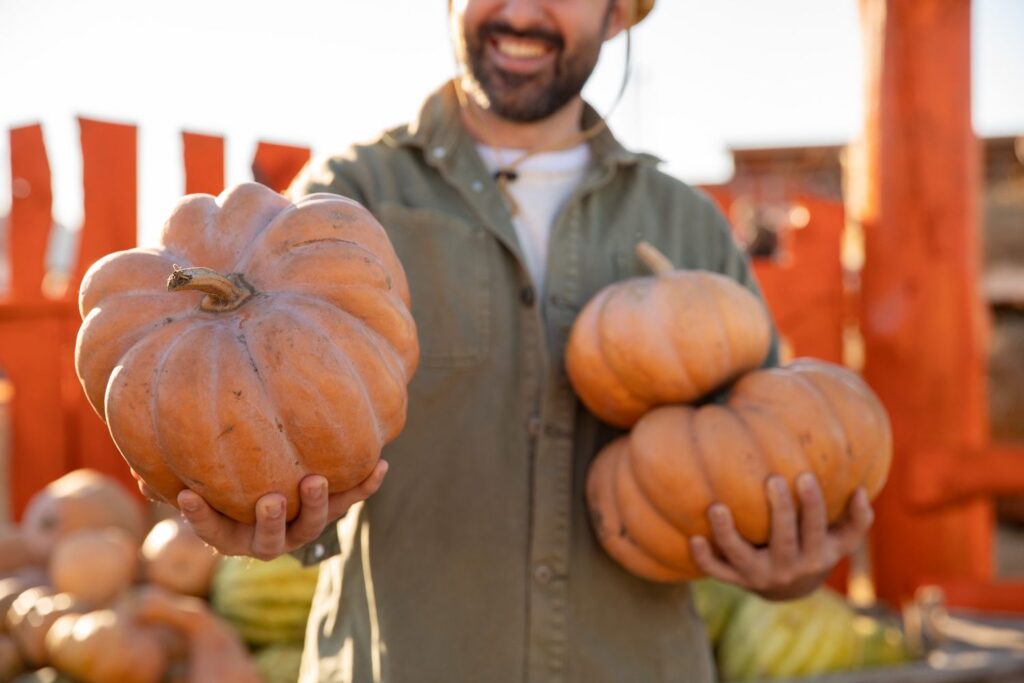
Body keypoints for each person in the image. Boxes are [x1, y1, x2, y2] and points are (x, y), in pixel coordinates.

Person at [173, 1, 875, 681]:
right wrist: (270, 512)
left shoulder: (685, 223)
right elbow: (267, 421)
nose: (522, 11)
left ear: (618, 13)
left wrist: (791, 562)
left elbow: (768, 444)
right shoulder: (350, 197)